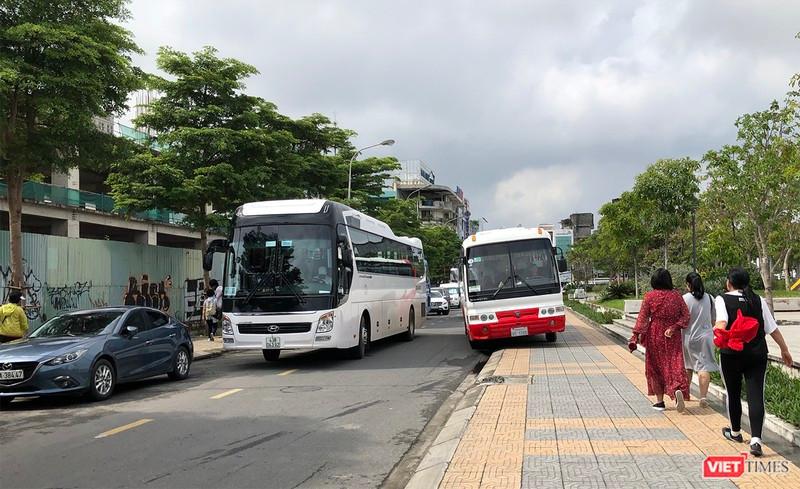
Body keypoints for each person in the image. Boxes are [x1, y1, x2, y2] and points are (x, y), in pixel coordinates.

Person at [715, 268, 793, 457]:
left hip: (731, 354)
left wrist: (716, 333)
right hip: (757, 354)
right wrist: (784, 350)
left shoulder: (722, 299)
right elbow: (772, 328)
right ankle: (756, 440)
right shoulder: (758, 300)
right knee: (756, 394)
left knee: (733, 393)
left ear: (728, 283)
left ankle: (735, 432)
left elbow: (722, 322)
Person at [632, 268, 690, 412]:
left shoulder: (649, 297)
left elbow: (642, 319)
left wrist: (635, 336)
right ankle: (677, 389)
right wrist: (674, 327)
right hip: (672, 335)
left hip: (655, 334)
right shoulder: (676, 296)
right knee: (675, 363)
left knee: (655, 366)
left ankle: (660, 402)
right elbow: (686, 316)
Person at [682, 272, 720, 408]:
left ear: (688, 285)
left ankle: (685, 394)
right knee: (703, 367)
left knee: (688, 366)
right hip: (705, 337)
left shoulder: (684, 299)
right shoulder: (709, 298)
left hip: (688, 336)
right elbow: (714, 320)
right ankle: (703, 397)